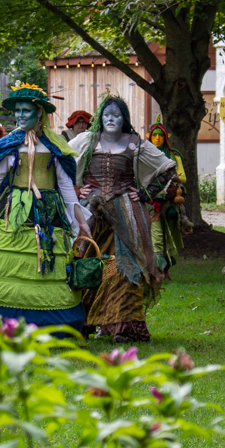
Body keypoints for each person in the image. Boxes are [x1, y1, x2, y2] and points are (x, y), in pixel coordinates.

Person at [0, 83, 91, 330]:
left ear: (39, 113)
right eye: (17, 111)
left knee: (45, 265)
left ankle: (45, 323)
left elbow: (68, 192)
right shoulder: (9, 144)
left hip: (47, 216)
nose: (21, 115)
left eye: (26, 110)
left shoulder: (55, 147)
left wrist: (81, 222)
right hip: (11, 212)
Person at [69, 95, 179, 343]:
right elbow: (61, 160)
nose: (111, 119)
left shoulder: (135, 144)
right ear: (99, 118)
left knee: (126, 268)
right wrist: (76, 189)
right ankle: (84, 322)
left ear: (124, 119)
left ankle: (125, 328)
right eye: (107, 115)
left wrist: (146, 193)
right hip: (91, 215)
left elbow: (168, 168)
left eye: (116, 115)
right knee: (88, 266)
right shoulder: (87, 141)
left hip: (127, 215)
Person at [145, 117, 188, 279]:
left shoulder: (173, 156)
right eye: (154, 135)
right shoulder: (144, 155)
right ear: (149, 136)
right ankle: (159, 269)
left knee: (167, 236)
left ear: (165, 137)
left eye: (160, 135)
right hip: (150, 201)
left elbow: (182, 177)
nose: (157, 138)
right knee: (156, 235)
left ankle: (165, 266)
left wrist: (168, 178)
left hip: (170, 202)